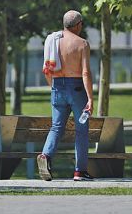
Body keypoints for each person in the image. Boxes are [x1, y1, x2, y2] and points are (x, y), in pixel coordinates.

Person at [37, 10, 94, 181]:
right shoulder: (82, 44)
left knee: (56, 127)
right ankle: (79, 171)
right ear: (78, 25)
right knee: (82, 131)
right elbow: (85, 72)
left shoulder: (52, 40)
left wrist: (53, 87)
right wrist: (90, 98)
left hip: (57, 86)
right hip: (76, 88)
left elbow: (47, 69)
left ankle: (46, 156)